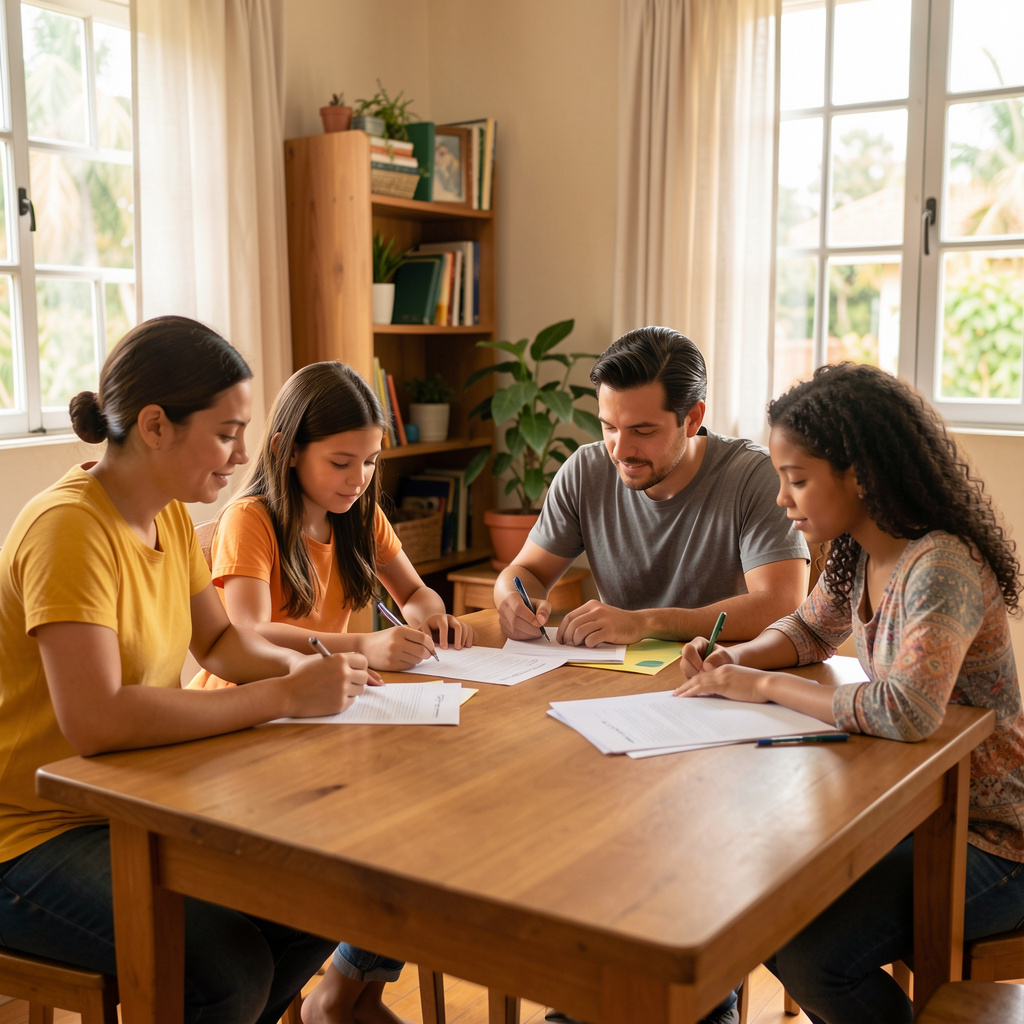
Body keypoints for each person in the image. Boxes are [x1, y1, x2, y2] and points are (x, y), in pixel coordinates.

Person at [0, 316, 369, 1024]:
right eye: (227, 431)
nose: (241, 453)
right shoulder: (68, 530)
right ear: (155, 426)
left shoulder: (165, 516)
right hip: (28, 839)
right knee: (224, 973)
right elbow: (97, 720)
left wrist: (326, 671)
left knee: (320, 898)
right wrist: (283, 696)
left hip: (124, 808)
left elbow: (223, 645)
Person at [674, 362, 1024, 1024]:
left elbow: (906, 710)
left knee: (812, 955)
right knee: (769, 905)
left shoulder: (941, 564)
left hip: (997, 841)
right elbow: (809, 629)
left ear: (860, 475)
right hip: (925, 815)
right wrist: (734, 656)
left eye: (797, 480)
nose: (783, 499)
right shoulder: (859, 550)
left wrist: (760, 686)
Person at [190, 360, 474, 1024]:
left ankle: (349, 989)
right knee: (376, 843)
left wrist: (429, 613)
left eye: (370, 462)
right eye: (342, 463)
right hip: (243, 729)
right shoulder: (253, 519)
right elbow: (249, 633)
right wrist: (365, 646)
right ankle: (335, 994)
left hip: (327, 719)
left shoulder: (359, 516)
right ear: (291, 453)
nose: (359, 480)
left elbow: (414, 590)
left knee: (417, 827)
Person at [495, 325, 809, 648]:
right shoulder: (584, 472)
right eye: (609, 427)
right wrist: (513, 601)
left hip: (725, 680)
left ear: (691, 419)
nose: (619, 450)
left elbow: (782, 605)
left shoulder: (755, 477)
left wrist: (644, 623)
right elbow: (524, 572)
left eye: (642, 431)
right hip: (616, 683)